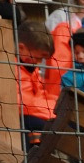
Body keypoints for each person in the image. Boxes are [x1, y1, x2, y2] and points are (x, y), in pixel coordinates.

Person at [16, 20, 61, 150]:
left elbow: (41, 94)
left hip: (35, 113)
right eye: (37, 57)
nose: (39, 62)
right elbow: (18, 103)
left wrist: (55, 103)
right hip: (22, 117)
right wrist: (48, 109)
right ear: (21, 48)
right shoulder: (11, 67)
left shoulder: (32, 68)